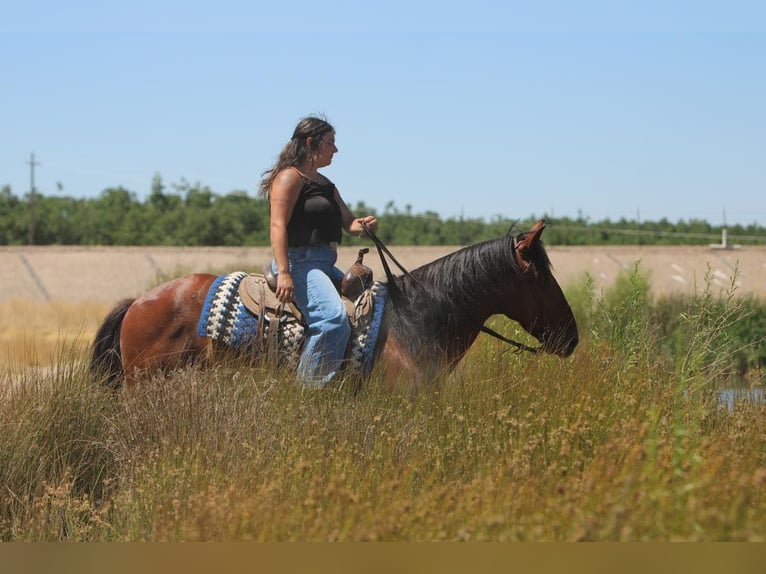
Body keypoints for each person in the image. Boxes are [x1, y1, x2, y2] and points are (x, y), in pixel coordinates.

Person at [259, 116, 378, 388]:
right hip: (299, 263)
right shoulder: (289, 177)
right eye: (331, 143)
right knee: (333, 320)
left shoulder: (326, 184)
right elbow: (277, 226)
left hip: (324, 264)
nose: (335, 150)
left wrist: (366, 225)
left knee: (372, 309)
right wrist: (285, 272)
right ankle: (308, 392)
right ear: (311, 143)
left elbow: (349, 224)